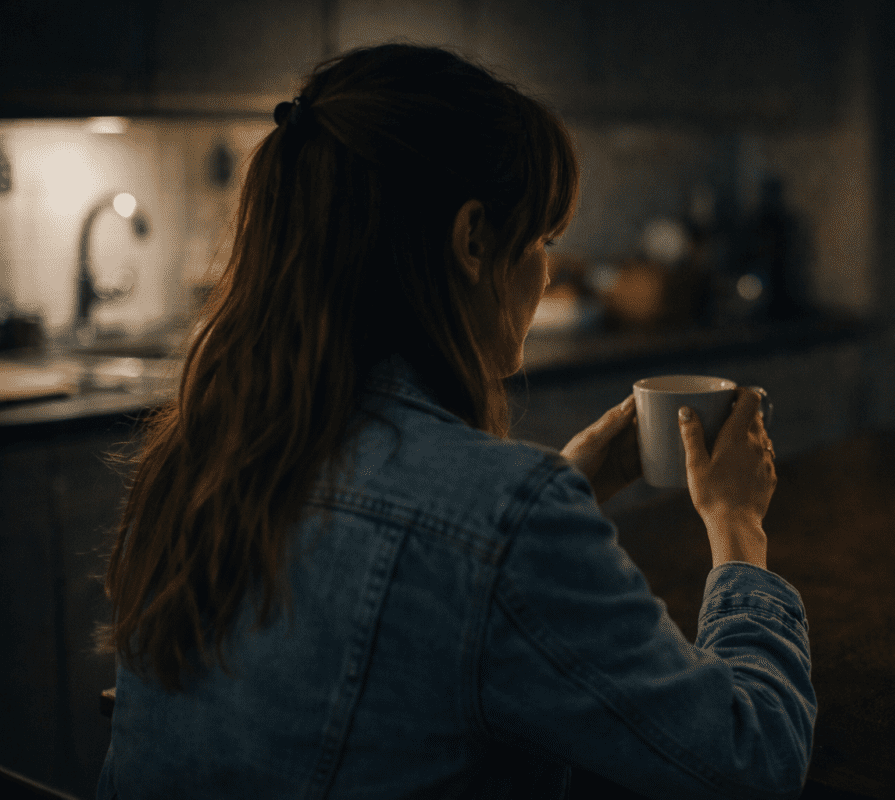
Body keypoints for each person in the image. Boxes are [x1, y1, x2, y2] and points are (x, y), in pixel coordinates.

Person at [94, 43, 816, 799]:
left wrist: (563, 484)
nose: (546, 270)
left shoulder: (197, 458)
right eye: (543, 240)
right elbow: (748, 759)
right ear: (474, 241)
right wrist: (738, 526)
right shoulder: (503, 518)